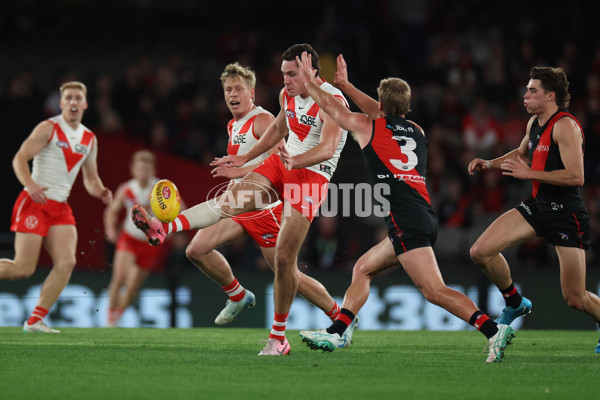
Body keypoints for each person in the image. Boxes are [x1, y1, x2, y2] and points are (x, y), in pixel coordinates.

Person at [131, 44, 349, 355]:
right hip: (283, 170)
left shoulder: (332, 101)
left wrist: (291, 163)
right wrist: (243, 160)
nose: (286, 80)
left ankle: (323, 324)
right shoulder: (282, 98)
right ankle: (164, 227)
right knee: (225, 207)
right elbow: (277, 130)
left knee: (286, 266)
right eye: (284, 73)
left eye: (293, 74)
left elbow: (328, 149)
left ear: (312, 71)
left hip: (310, 177)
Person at [295, 52, 514, 363]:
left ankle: (493, 330)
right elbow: (384, 112)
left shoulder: (365, 126)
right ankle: (336, 332)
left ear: (380, 106)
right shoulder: (417, 131)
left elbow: (331, 107)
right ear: (407, 107)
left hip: (406, 221)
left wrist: (315, 83)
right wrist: (348, 85)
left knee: (434, 291)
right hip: (422, 214)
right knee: (363, 268)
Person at [183, 62, 352, 345]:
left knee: (288, 273)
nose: (232, 94)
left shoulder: (261, 119)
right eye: (227, 89)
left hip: (264, 209)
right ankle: (238, 295)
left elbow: (278, 158)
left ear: (252, 93)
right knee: (196, 249)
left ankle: (340, 317)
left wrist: (247, 177)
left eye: (238, 89)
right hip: (242, 207)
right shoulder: (233, 124)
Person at [467, 67, 600, 353]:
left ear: (550, 96)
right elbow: (521, 153)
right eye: (527, 89)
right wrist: (489, 163)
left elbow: (577, 177)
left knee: (575, 298)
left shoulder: (566, 126)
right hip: (538, 206)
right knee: (480, 251)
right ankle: (515, 302)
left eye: (532, 91)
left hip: (566, 213)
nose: (525, 95)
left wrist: (530, 175)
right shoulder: (534, 123)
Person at [0, 81, 112, 332]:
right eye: (68, 98)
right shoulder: (48, 128)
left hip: (60, 207)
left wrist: (100, 191)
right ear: (61, 103)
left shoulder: (89, 138)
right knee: (22, 269)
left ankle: (35, 320)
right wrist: (30, 185)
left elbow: (91, 179)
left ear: (85, 104)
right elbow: (19, 158)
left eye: (77, 98)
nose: (73, 102)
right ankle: (35, 318)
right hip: (35, 202)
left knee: (66, 263)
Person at [104, 150, 165, 327]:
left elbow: (180, 209)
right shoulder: (127, 188)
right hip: (129, 238)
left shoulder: (160, 189)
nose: (143, 172)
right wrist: (110, 228)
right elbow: (112, 211)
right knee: (118, 278)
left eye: (147, 168)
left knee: (132, 289)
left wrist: (170, 231)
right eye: (140, 168)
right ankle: (110, 318)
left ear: (153, 170)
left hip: (150, 242)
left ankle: (118, 314)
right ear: (133, 169)